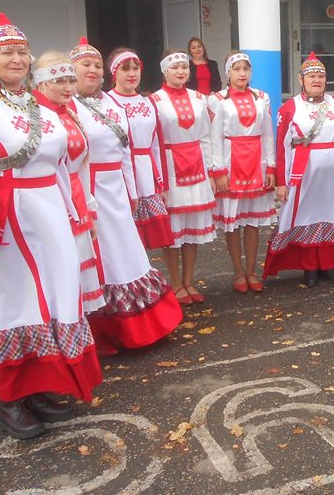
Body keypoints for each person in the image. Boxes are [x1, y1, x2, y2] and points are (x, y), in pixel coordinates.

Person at [0, 14, 101, 439]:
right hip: (9, 219)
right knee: (14, 304)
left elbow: (63, 165)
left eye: (20, 52)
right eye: (5, 52)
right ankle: (11, 400)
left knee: (52, 299)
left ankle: (38, 388)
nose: (15, 59)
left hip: (50, 212)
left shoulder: (37, 103)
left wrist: (76, 215)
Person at [69, 37, 182, 354]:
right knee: (97, 259)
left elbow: (127, 152)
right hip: (86, 188)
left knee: (127, 254)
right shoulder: (67, 107)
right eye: (84, 65)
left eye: (94, 65)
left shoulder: (111, 104)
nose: (91, 70)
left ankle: (139, 327)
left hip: (116, 186)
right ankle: (100, 331)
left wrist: (133, 193)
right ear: (71, 70)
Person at [265, 52, 334, 287]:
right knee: (307, 215)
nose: (316, 80)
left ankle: (331, 265)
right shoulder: (289, 108)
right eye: (311, 76)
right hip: (304, 173)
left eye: (321, 76)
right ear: (301, 79)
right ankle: (310, 267)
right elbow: (281, 147)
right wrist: (282, 182)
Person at [33, 52, 105, 314]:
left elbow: (83, 164)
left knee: (78, 269)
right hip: (52, 203)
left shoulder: (70, 113)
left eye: (70, 81)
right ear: (41, 83)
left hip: (76, 201)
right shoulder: (37, 116)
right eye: (60, 81)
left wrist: (88, 209)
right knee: (58, 272)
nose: (69, 88)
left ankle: (80, 334)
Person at [149, 50, 217, 303]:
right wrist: (157, 177)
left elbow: (207, 136)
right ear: (165, 71)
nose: (181, 72)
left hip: (196, 163)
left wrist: (210, 170)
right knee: (173, 229)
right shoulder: (155, 101)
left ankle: (189, 280)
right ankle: (175, 282)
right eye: (175, 67)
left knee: (191, 228)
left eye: (184, 67)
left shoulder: (200, 98)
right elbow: (153, 140)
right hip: (170, 165)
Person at [207, 51, 277, 293]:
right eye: (236, 69)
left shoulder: (262, 98)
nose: (242, 74)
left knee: (252, 221)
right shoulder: (218, 99)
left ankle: (252, 270)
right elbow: (214, 137)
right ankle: (238, 271)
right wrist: (218, 170)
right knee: (233, 222)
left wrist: (271, 166)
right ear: (228, 72)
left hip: (256, 161)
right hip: (231, 160)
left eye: (245, 69)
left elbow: (268, 133)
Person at [106, 47, 173, 250]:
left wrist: (161, 184)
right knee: (124, 234)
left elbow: (156, 144)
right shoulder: (107, 102)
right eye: (125, 69)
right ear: (114, 73)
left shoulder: (148, 101)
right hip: (121, 174)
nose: (132, 73)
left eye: (136, 68)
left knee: (148, 237)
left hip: (147, 174)